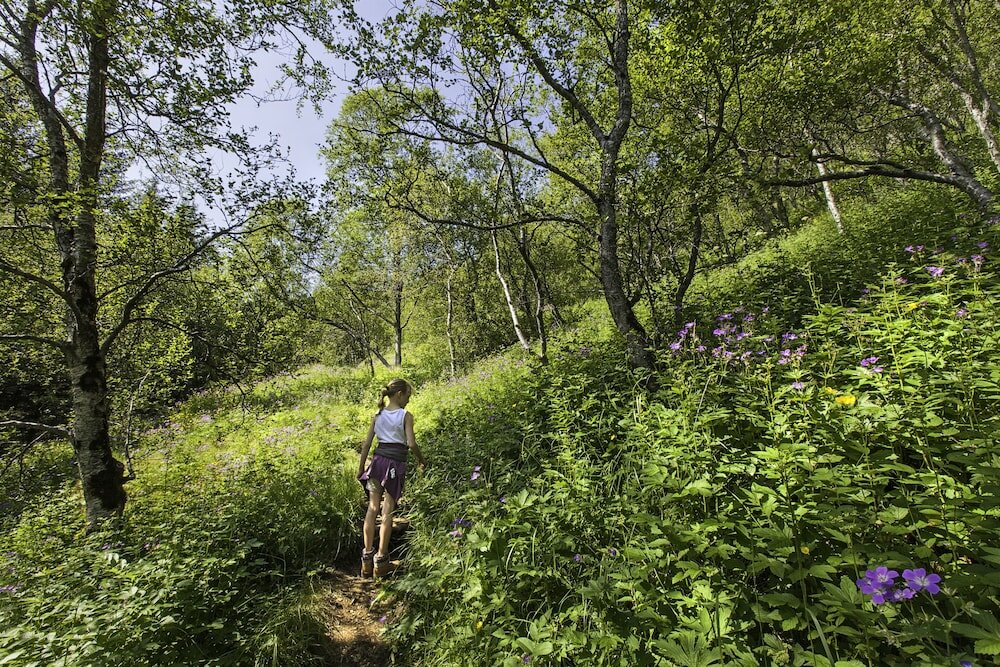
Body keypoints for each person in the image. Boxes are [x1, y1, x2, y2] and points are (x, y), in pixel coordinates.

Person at [357, 378, 428, 578]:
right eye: (408, 396)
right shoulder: (405, 415)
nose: (408, 400)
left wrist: (361, 467)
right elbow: (411, 443)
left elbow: (366, 445)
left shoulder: (378, 415)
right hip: (395, 465)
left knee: (372, 508)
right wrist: (422, 460)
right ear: (400, 394)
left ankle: (366, 559)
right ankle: (381, 561)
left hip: (377, 463)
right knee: (387, 512)